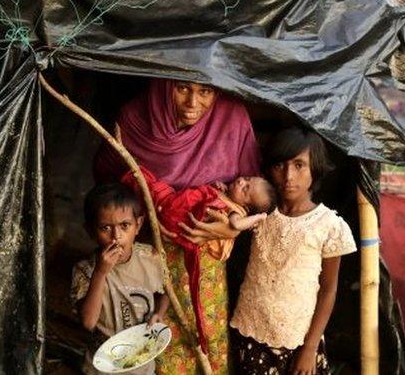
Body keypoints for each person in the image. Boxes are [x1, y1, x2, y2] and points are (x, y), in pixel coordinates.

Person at [95, 79, 260, 373]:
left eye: (205, 91)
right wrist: (147, 214)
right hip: (147, 255)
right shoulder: (135, 119)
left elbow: (254, 192)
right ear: (163, 84)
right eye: (182, 88)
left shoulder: (230, 118)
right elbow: (108, 183)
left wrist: (231, 228)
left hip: (207, 261)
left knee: (207, 332)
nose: (193, 103)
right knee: (153, 337)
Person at [230, 127, 357, 374]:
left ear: (315, 168)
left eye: (299, 165)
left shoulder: (329, 225)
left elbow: (329, 290)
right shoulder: (259, 212)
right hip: (250, 332)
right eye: (280, 166)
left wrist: (310, 348)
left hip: (298, 342)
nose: (289, 176)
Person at [123, 167, 275, 355]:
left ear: (247, 207)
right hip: (182, 255)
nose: (241, 182)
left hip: (204, 270)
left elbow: (236, 224)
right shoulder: (226, 195)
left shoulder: (238, 213)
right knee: (172, 292)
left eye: (246, 190)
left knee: (197, 316)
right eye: (246, 179)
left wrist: (258, 217)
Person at [72, 182, 170, 375]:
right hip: (101, 367)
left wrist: (160, 312)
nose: (116, 236)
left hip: (142, 363)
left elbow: (165, 292)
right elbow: (88, 322)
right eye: (105, 228)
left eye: (125, 225)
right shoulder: (84, 271)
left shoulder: (151, 258)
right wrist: (100, 272)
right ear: (91, 231)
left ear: (138, 225)